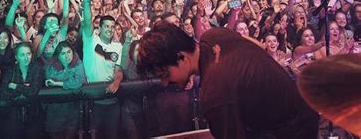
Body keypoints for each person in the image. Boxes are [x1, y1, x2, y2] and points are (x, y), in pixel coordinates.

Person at [137, 23, 319, 138]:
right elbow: (258, 47)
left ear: (181, 58)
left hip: (291, 132)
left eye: (165, 74)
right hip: (302, 113)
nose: (164, 83)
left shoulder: (215, 92)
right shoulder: (215, 35)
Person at [82, 0, 124, 139]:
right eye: (106, 26)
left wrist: (117, 81)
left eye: (112, 27)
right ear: (99, 28)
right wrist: (87, 1)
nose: (110, 29)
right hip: (93, 99)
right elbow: (87, 21)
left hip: (111, 98)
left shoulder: (118, 46)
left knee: (113, 135)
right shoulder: (90, 39)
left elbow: (118, 69)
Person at [44, 41, 86, 139]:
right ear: (58, 56)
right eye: (63, 53)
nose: (67, 56)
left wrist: (57, 83)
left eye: (69, 52)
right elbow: (49, 77)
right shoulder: (51, 67)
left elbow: (78, 82)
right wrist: (69, 77)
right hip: (55, 109)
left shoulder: (78, 62)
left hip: (72, 108)